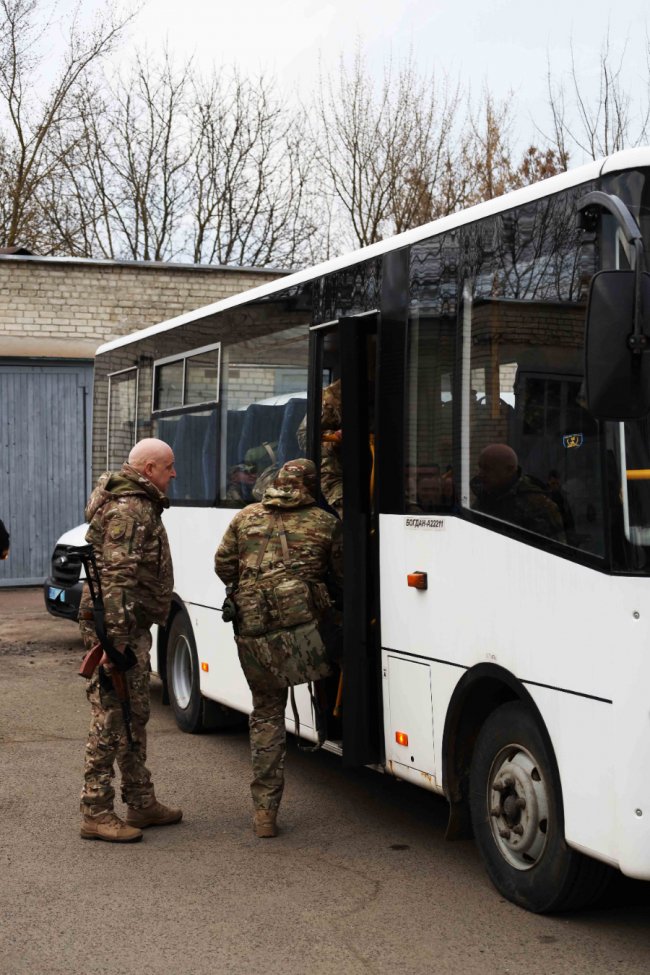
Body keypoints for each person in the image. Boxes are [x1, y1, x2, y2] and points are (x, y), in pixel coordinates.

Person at [214, 458, 343, 839]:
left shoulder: (246, 516)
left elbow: (223, 566)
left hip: (253, 627)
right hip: (304, 632)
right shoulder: (326, 523)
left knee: (266, 713)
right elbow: (341, 577)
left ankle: (264, 814)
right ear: (310, 486)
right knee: (333, 670)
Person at [78, 438, 182, 843]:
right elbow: (117, 579)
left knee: (133, 713)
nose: (174, 474)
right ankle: (95, 810)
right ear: (151, 468)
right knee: (111, 716)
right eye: (169, 466)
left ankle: (141, 800)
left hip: (127, 625)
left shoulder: (138, 502)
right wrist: (114, 645)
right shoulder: (130, 509)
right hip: (117, 629)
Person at [471, 443, 566, 542]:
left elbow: (555, 550)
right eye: (480, 468)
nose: (480, 474)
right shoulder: (485, 498)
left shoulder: (538, 505)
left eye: (487, 469)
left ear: (510, 469)